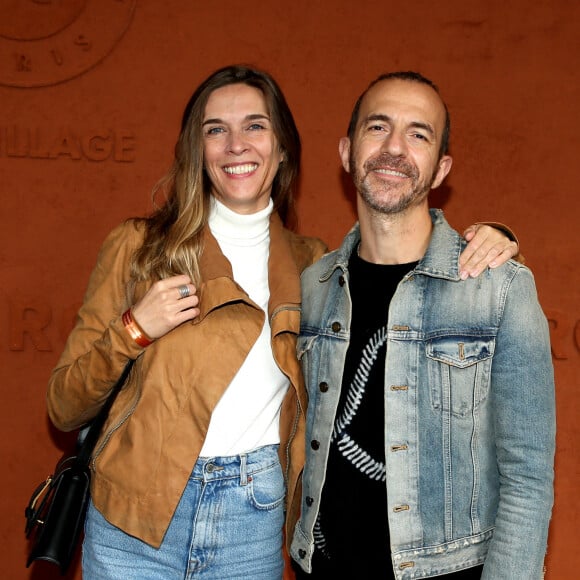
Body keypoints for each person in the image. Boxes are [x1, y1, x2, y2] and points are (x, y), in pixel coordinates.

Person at [45, 65, 519, 579]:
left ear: (282, 147)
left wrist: (491, 239)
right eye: (215, 129)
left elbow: (400, 268)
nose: (235, 145)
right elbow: (64, 406)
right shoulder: (138, 248)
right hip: (133, 521)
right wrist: (134, 328)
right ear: (195, 149)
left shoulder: (313, 266)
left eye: (255, 126)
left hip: (253, 523)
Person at [290, 71, 555, 579]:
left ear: (440, 169)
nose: (394, 147)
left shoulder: (498, 289)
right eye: (377, 127)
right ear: (346, 151)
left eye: (418, 134)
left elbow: (528, 479)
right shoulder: (312, 288)